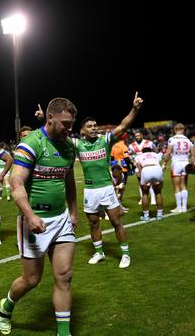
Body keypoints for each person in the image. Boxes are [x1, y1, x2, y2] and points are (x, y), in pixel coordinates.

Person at [0, 97, 78, 336]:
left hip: (61, 219)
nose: (69, 128)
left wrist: (73, 211)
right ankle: (7, 306)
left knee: (64, 276)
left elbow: (69, 180)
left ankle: (64, 333)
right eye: (65, 123)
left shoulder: (68, 145)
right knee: (31, 280)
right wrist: (30, 215)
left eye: (72, 123)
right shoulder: (31, 143)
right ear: (50, 118)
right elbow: (16, 181)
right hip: (34, 222)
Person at [73, 92, 142, 269]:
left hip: (106, 188)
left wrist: (134, 109)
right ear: (82, 130)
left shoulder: (105, 140)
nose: (94, 128)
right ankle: (99, 252)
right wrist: (44, 120)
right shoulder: (77, 144)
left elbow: (123, 126)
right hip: (90, 191)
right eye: (90, 126)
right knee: (93, 223)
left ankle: (125, 254)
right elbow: (56, 135)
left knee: (116, 222)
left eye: (95, 125)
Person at [163, 123, 191, 213]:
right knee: (183, 185)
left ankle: (179, 208)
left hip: (176, 163)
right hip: (186, 163)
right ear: (183, 130)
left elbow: (168, 152)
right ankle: (185, 207)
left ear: (175, 130)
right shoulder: (187, 139)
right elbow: (193, 151)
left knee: (176, 186)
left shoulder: (172, 139)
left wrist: (164, 163)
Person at [136, 147, 164, 221]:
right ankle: (159, 215)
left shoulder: (139, 156)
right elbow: (159, 161)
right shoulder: (155, 154)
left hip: (146, 169)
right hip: (157, 169)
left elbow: (138, 165)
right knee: (158, 192)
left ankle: (146, 216)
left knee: (145, 193)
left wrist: (142, 175)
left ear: (143, 152)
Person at [130, 130, 157, 206]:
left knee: (151, 182)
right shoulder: (132, 145)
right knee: (141, 183)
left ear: (142, 135)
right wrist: (133, 162)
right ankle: (142, 198)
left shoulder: (149, 143)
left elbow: (155, 151)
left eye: (138, 136)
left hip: (147, 164)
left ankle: (153, 199)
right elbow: (129, 155)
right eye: (136, 136)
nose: (137, 137)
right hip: (138, 165)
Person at [110, 134, 131, 210]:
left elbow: (112, 158)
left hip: (115, 169)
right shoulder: (124, 147)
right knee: (121, 188)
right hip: (123, 170)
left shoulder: (114, 146)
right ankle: (118, 205)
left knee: (115, 187)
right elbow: (127, 159)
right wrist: (130, 167)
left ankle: (117, 205)